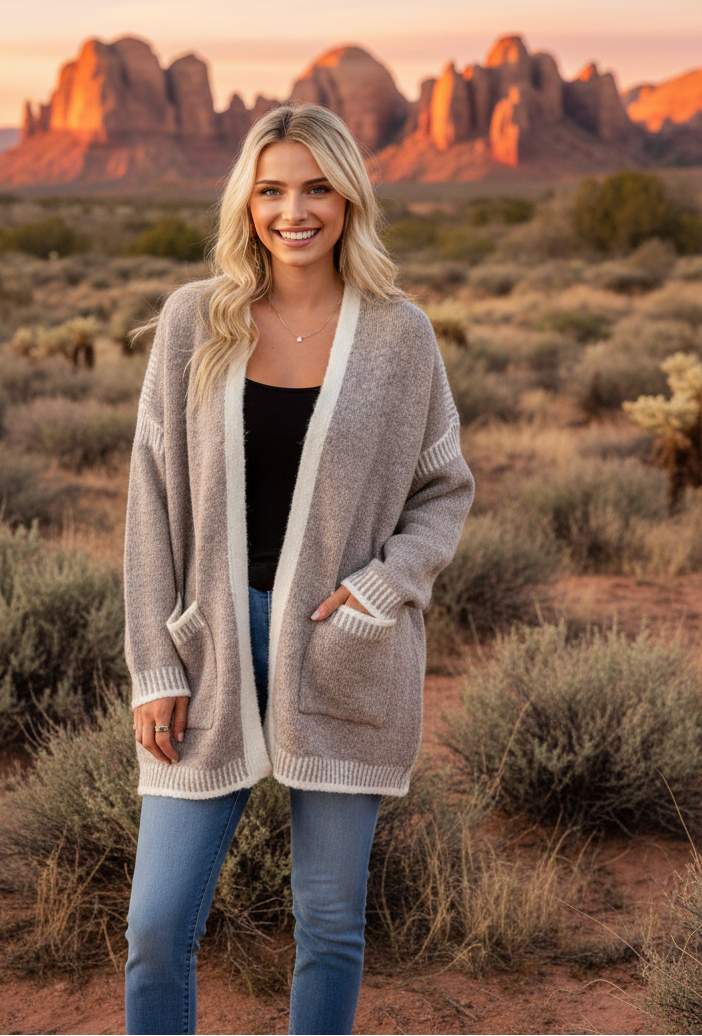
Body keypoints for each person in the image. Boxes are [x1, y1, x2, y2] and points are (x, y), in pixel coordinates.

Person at [123, 102, 474, 1036]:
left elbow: (444, 489)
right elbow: (150, 501)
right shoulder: (195, 321)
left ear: (350, 197)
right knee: (157, 926)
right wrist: (155, 667)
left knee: (328, 925)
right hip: (211, 647)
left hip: (340, 643)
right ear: (247, 202)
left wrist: (383, 585)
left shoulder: (401, 338)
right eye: (273, 189)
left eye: (317, 187)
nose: (295, 211)